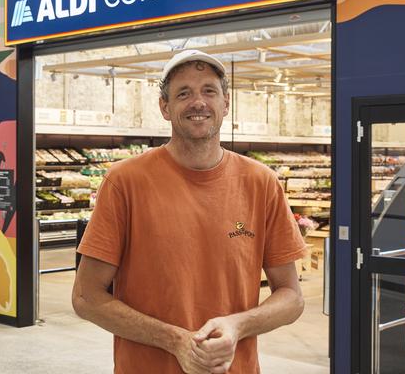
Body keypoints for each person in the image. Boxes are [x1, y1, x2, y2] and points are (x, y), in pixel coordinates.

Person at [72, 49, 307, 374]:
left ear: (226, 103)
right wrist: (175, 341)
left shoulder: (261, 183)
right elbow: (86, 297)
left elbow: (291, 297)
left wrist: (237, 326)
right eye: (184, 93)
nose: (198, 102)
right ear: (165, 107)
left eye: (209, 91)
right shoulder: (124, 181)